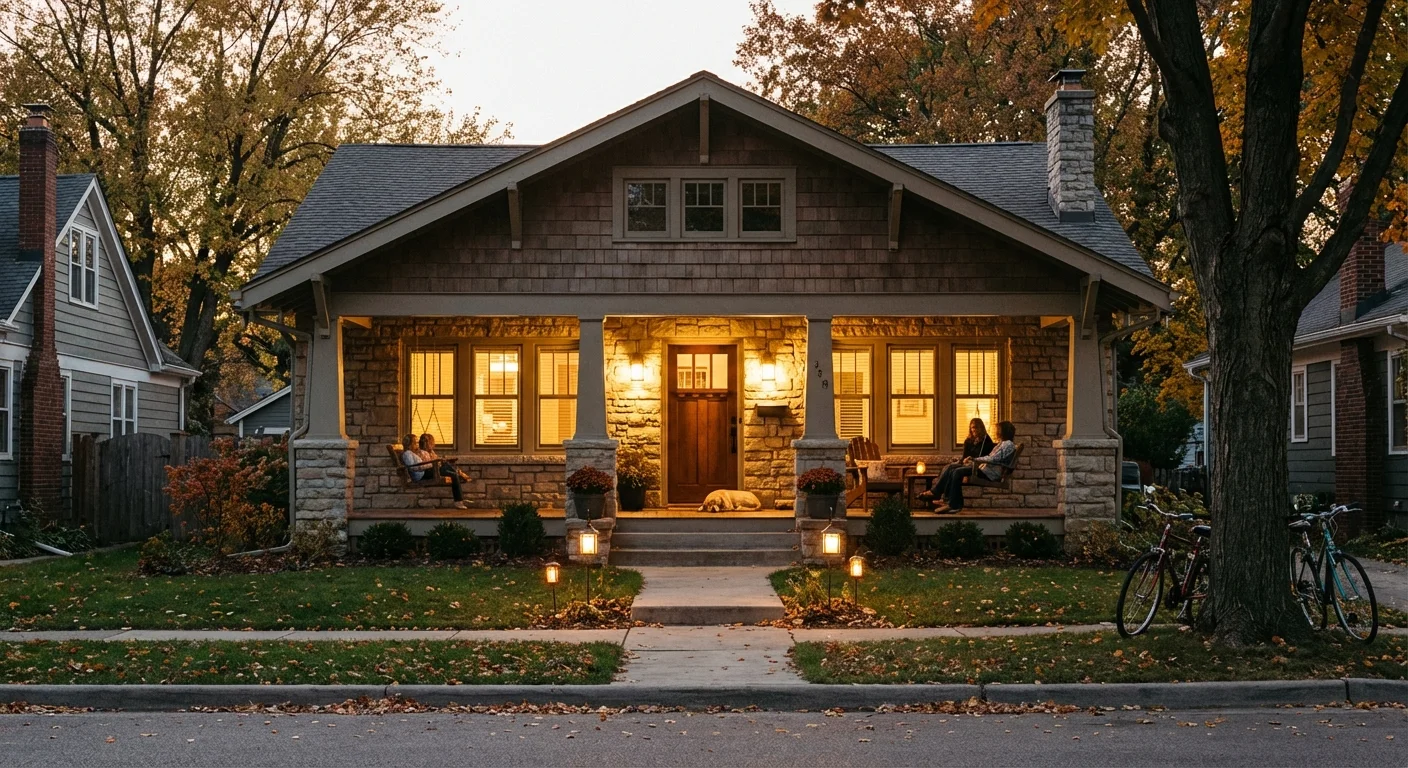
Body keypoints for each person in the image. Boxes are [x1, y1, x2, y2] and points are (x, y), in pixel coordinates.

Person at [932, 420, 1017, 514]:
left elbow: (993, 458)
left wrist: (975, 460)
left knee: (957, 472)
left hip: (990, 472)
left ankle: (954, 504)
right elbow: (991, 457)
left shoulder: (1008, 444)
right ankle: (951, 502)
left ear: (1004, 431)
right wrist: (973, 460)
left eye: (998, 429)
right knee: (953, 469)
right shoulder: (1003, 443)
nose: (996, 431)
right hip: (985, 469)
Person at [918, 419, 994, 502]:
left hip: (977, 467)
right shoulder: (968, 441)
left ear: (981, 428)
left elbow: (985, 458)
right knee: (948, 467)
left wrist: (971, 460)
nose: (974, 430)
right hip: (966, 464)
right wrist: (962, 460)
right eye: (972, 427)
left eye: (976, 427)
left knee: (952, 469)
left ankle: (937, 493)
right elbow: (964, 456)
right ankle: (941, 495)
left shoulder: (986, 441)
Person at [401, 432, 467, 508]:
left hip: (424, 471)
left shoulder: (411, 453)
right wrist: (429, 465)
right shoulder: (407, 454)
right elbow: (412, 467)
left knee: (450, 471)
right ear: (410, 444)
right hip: (421, 474)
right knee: (449, 470)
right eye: (415, 443)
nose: (417, 444)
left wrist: (429, 465)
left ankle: (459, 500)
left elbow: (419, 464)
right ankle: (459, 500)